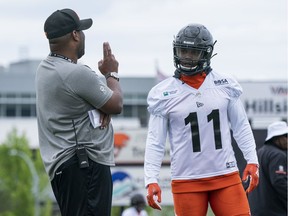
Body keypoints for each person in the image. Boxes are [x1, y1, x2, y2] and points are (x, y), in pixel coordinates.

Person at [144, 23, 259, 216]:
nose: (187, 57)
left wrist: (252, 160)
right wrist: (151, 179)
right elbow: (155, 141)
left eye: (193, 52)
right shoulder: (162, 93)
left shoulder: (225, 84)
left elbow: (241, 127)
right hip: (186, 179)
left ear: (206, 53)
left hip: (226, 175)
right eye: (183, 50)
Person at [35, 8, 123, 216]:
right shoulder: (75, 73)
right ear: (75, 35)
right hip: (84, 165)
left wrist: (99, 104)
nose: (83, 36)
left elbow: (86, 100)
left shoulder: (44, 68)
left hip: (66, 167)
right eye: (81, 31)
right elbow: (116, 104)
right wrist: (112, 73)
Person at [249, 121, 288, 216]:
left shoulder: (259, 153)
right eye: (286, 136)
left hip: (256, 210)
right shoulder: (277, 155)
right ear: (277, 138)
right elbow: (279, 182)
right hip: (274, 211)